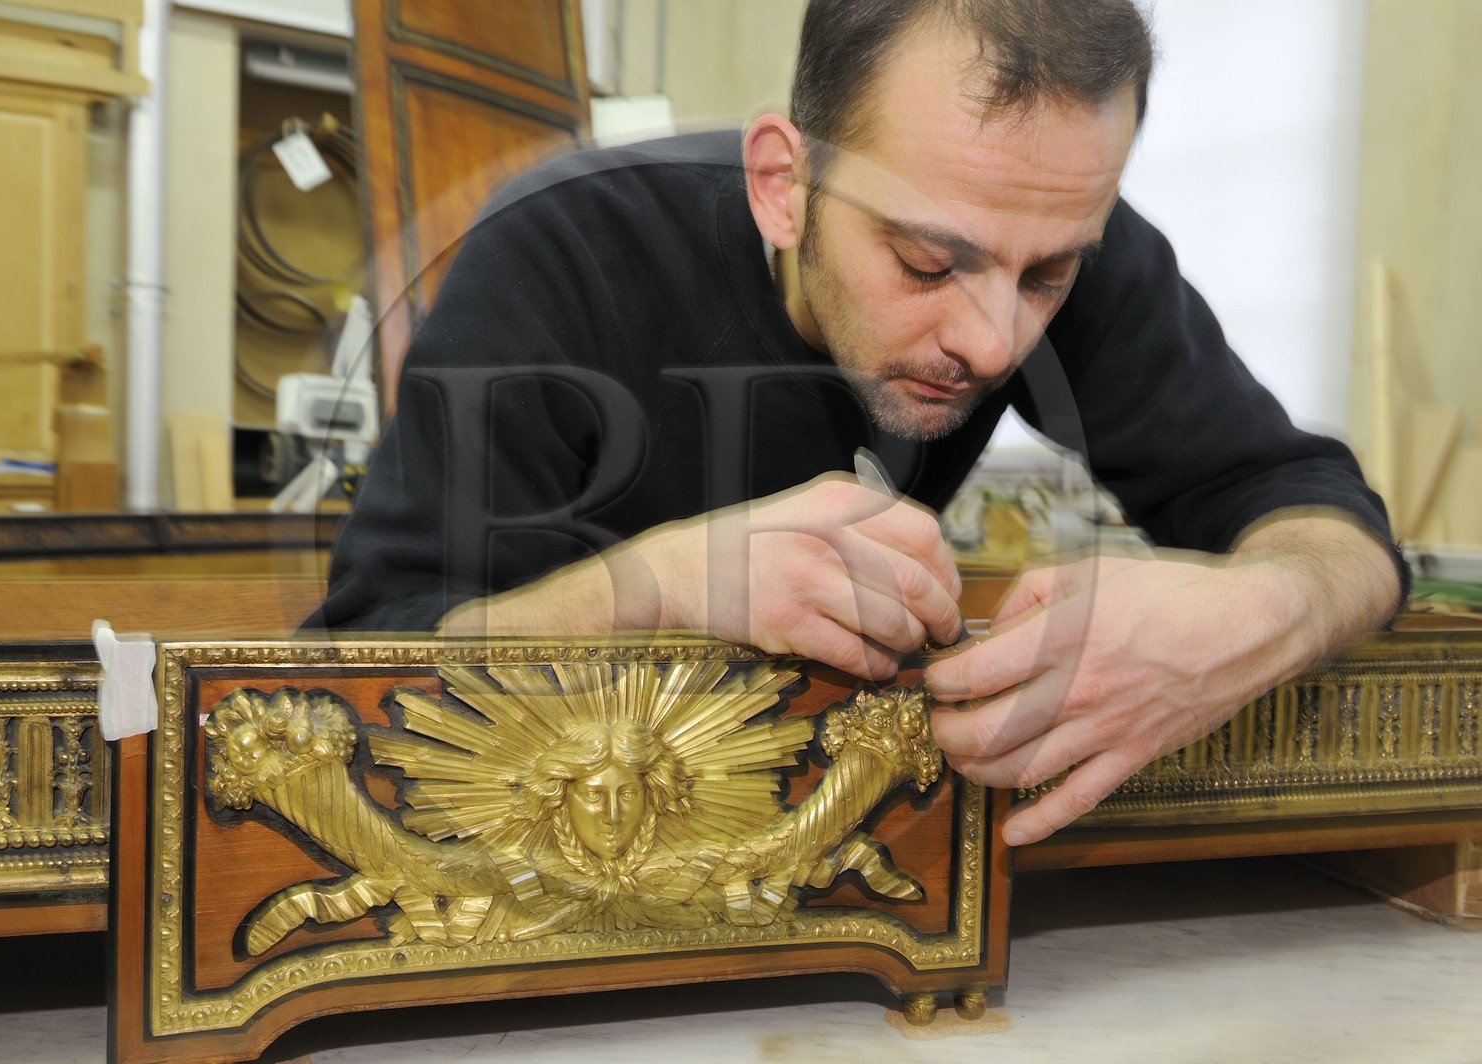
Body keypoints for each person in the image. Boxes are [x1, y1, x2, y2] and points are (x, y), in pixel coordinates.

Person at [311, 0, 1404, 847]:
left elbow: (1325, 520)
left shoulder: (1056, 232)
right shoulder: (554, 252)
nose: (990, 343)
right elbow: (346, 663)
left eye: (1045, 279)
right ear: (784, 184)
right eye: (930, 262)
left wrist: (1254, 611)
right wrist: (658, 590)